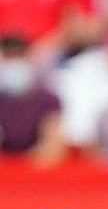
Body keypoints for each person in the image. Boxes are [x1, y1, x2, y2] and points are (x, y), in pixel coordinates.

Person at [0, 34, 65, 165]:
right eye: (8, 56)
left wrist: (21, 162)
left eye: (18, 55)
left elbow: (53, 149)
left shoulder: (48, 100)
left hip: (34, 174)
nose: (14, 62)